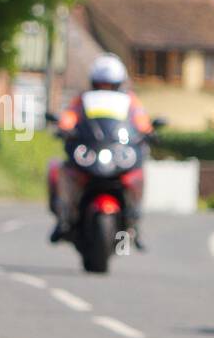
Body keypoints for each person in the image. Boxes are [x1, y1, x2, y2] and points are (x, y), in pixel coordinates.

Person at [50, 54, 153, 248]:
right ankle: (65, 215)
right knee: (62, 169)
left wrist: (147, 131)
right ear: (94, 83)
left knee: (137, 174)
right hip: (90, 150)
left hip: (118, 151)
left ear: (118, 83)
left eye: (110, 84)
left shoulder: (129, 100)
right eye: (101, 83)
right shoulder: (84, 99)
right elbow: (70, 115)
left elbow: (140, 118)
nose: (105, 87)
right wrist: (64, 127)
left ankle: (134, 220)